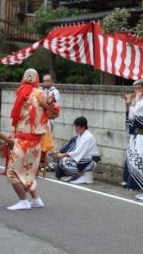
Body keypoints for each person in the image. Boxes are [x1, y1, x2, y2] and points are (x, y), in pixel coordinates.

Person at [6, 68, 59, 211]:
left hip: (25, 141)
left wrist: (49, 102)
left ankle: (23, 201)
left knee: (12, 172)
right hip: (35, 141)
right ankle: (36, 199)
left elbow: (53, 111)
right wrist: (49, 104)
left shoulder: (32, 93)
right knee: (28, 172)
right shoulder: (38, 93)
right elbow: (54, 113)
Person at [54, 116, 99, 184]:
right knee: (63, 160)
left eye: (77, 127)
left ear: (83, 127)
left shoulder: (87, 137)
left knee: (65, 160)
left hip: (90, 161)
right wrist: (59, 154)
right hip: (85, 159)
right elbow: (76, 151)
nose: (75, 129)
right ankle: (78, 176)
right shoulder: (80, 136)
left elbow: (77, 152)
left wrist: (63, 155)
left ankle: (81, 177)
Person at [121, 79, 143, 187]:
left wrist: (135, 101)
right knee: (130, 156)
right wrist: (127, 104)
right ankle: (127, 179)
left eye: (139, 88)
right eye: (135, 89)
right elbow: (129, 117)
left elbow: (137, 116)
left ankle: (136, 183)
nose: (137, 91)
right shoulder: (137, 100)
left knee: (138, 158)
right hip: (134, 134)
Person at [41, 74, 61, 171]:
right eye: (44, 81)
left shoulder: (54, 91)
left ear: (52, 82)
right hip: (42, 118)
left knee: (47, 140)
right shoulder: (43, 91)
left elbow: (49, 103)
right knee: (42, 140)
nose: (45, 82)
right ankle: (43, 162)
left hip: (49, 119)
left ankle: (49, 164)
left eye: (47, 81)